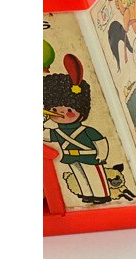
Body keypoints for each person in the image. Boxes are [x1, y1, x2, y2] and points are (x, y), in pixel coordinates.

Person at [43, 56, 112, 204]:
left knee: (94, 174)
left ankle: (101, 195)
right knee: (79, 175)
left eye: (68, 109)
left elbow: (100, 141)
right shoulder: (56, 131)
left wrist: (102, 154)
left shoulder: (87, 131)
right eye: (54, 109)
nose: (60, 113)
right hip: (70, 156)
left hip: (89, 155)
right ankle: (87, 194)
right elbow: (45, 136)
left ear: (81, 111)